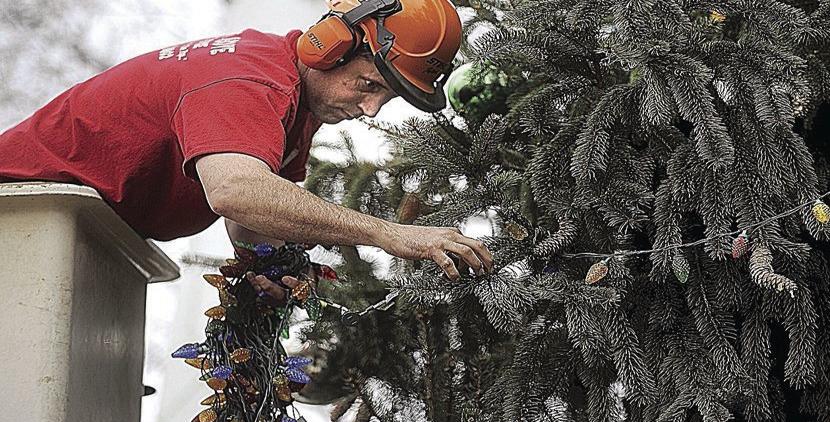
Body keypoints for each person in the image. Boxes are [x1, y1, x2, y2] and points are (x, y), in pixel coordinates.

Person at [0, 0, 493, 302]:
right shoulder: (250, 78)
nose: (370, 110)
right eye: (368, 84)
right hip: (18, 220)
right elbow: (237, 192)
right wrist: (387, 234)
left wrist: (271, 269)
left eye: (385, 98)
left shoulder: (296, 107)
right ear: (332, 45)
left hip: (63, 237)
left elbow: (255, 219)